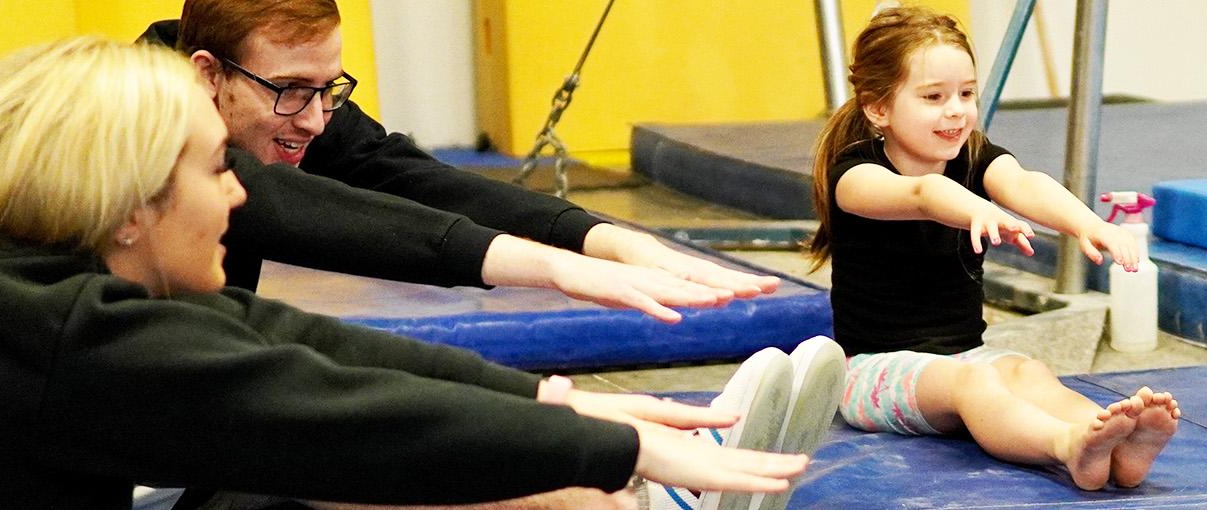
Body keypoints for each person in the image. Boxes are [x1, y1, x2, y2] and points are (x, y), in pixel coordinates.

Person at [0, 37, 804, 510]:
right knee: (381, 468)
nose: (241, 198)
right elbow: (339, 414)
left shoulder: (28, 287)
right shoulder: (59, 338)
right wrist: (618, 448)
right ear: (132, 207)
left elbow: (286, 339)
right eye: (219, 170)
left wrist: (557, 407)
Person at [139, 0, 780, 323]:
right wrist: (550, 268)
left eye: (327, 88)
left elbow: (402, 175)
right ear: (208, 74)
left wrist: (603, 238)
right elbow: (293, 210)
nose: (312, 118)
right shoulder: (140, 126)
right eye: (290, 92)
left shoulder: (238, 76)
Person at [803, 6, 1176, 491]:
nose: (956, 109)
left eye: (965, 93)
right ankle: (1066, 445)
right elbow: (922, 194)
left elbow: (1024, 183)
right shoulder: (855, 175)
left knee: (1029, 372)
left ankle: (1118, 445)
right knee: (976, 385)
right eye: (933, 97)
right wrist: (975, 210)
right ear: (879, 108)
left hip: (966, 354)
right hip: (873, 370)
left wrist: (1087, 223)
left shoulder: (973, 155)